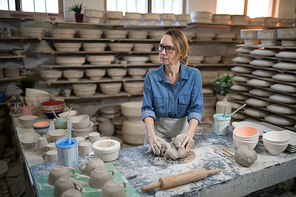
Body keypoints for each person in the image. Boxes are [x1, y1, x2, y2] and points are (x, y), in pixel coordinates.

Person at [141, 29, 203, 155]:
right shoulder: (151, 77)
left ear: (180, 52)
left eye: (169, 48)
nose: (162, 52)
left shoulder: (194, 75)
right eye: (161, 47)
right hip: (157, 133)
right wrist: (151, 135)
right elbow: (147, 109)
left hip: (183, 134)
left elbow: (196, 109)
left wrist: (190, 134)